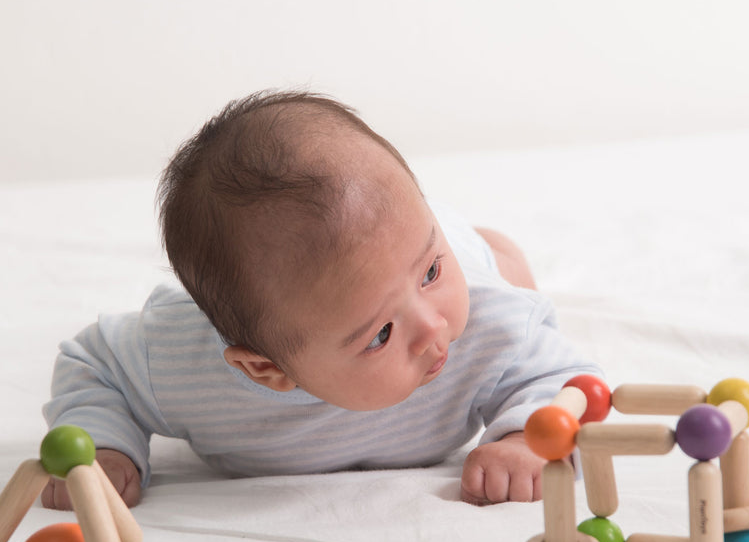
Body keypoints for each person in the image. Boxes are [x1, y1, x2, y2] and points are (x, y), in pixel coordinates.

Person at [42, 91, 601, 510]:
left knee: (489, 262)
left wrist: (528, 436)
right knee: (400, 265)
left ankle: (474, 245)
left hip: (448, 246)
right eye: (380, 334)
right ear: (266, 368)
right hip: (395, 253)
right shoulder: (177, 361)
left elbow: (566, 379)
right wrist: (104, 445)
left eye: (431, 275)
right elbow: (94, 366)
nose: (433, 329)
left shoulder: (480, 321)